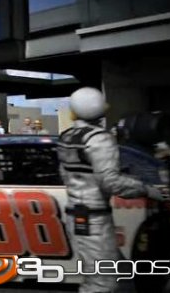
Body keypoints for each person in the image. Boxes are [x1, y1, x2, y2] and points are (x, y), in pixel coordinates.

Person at [57, 87, 163, 293]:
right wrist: (145, 189)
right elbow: (110, 182)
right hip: (95, 218)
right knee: (102, 284)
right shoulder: (100, 138)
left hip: (76, 216)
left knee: (117, 276)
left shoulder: (67, 137)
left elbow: (65, 173)